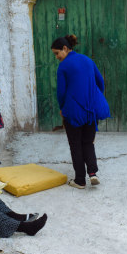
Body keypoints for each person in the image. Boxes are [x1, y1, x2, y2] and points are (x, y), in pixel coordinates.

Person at [51, 34, 111, 189]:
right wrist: (94, 97)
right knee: (88, 142)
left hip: (73, 111)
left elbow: (61, 93)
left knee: (75, 144)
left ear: (65, 48)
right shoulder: (87, 60)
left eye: (57, 53)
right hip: (91, 110)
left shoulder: (63, 66)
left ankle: (80, 180)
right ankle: (92, 173)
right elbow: (100, 81)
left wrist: (62, 109)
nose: (57, 57)